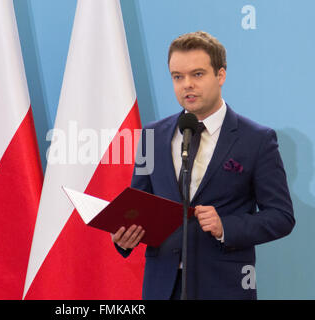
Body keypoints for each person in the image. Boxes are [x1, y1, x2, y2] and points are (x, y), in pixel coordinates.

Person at [112, 31, 295, 300]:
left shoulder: (256, 139)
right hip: (162, 288)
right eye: (178, 76)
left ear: (220, 75)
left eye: (197, 74)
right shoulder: (151, 135)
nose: (187, 85)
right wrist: (126, 236)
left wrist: (226, 227)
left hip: (224, 288)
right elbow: (139, 206)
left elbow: (281, 217)